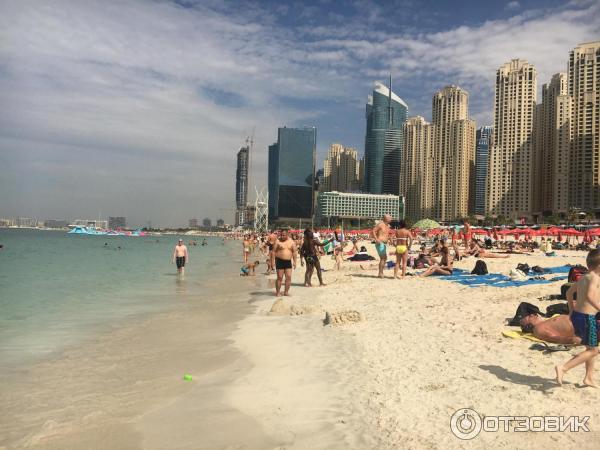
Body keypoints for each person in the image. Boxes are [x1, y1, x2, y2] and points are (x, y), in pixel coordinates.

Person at [556, 249, 600, 387]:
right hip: (589, 318)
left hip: (578, 316)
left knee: (590, 348)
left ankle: (588, 378)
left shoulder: (584, 277)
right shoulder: (595, 277)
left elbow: (569, 293)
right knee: (594, 350)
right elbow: (590, 296)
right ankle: (563, 368)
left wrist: (571, 310)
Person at [271, 229, 298, 296]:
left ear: (287, 235)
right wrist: (272, 262)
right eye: (281, 235)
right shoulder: (277, 241)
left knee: (288, 277)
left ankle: (286, 292)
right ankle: (278, 292)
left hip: (288, 261)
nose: (282, 236)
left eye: (284, 235)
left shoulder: (291, 242)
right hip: (279, 261)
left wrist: (295, 262)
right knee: (280, 277)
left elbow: (294, 252)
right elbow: (273, 252)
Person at [372, 214, 392, 278]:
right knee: (383, 258)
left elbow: (386, 235)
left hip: (384, 243)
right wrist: (376, 239)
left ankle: (381, 273)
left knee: (384, 258)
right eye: (390, 218)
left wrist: (389, 240)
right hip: (380, 243)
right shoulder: (380, 224)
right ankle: (380, 273)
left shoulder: (387, 226)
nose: (391, 219)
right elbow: (373, 231)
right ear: (386, 218)